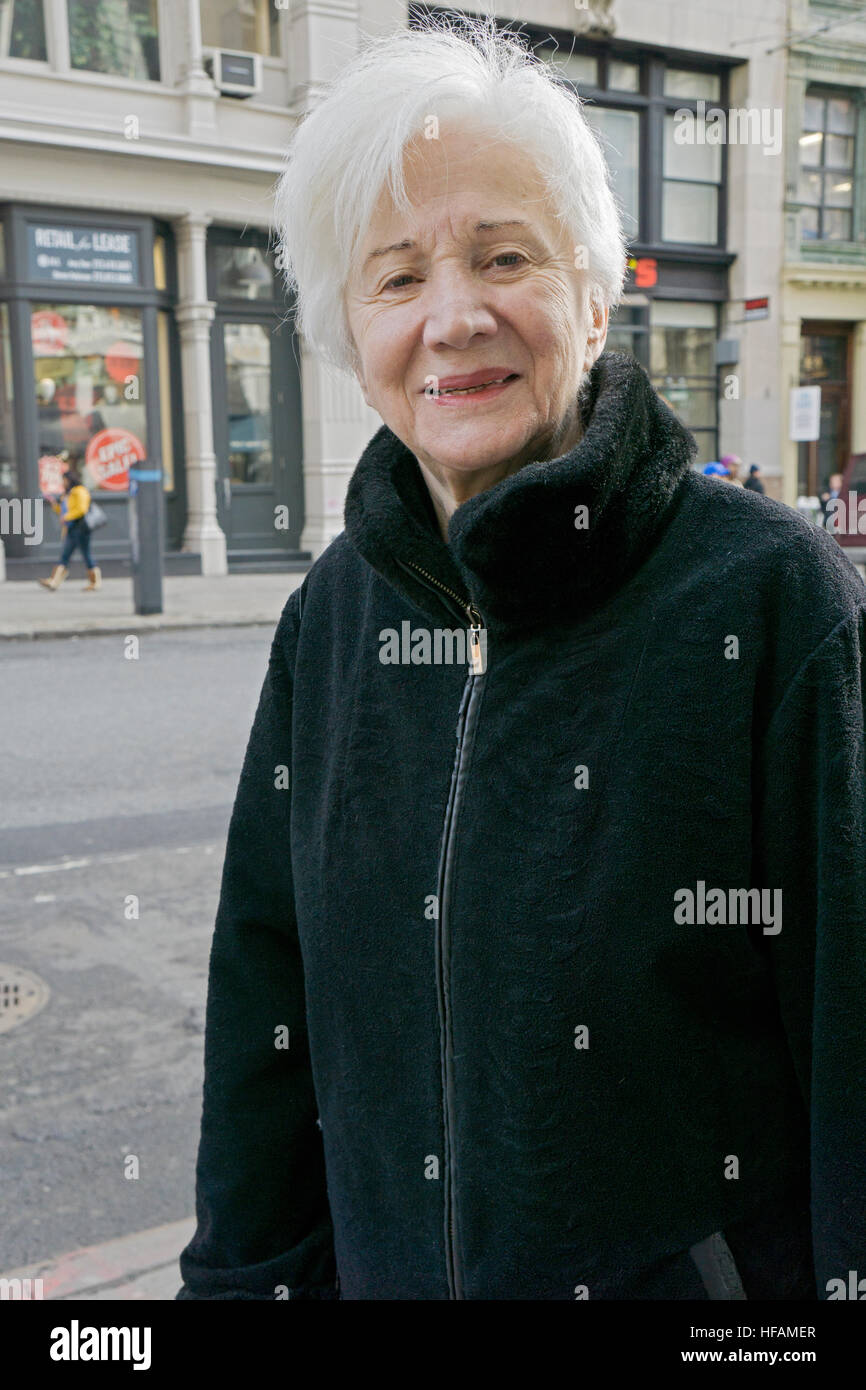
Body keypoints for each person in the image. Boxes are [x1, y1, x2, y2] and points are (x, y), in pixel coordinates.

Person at [177, 18, 866, 1302]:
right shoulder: (329, 617)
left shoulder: (777, 602)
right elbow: (261, 1019)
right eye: (394, 278)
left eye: (505, 256)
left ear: (593, 300)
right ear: (348, 329)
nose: (454, 318)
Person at [38, 467, 101, 591]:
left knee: (81, 555)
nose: (63, 482)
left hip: (81, 527)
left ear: (70, 479)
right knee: (68, 555)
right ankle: (55, 581)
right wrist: (54, 504)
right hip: (71, 528)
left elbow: (82, 509)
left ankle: (95, 582)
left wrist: (67, 516)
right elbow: (63, 511)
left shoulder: (80, 491)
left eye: (65, 480)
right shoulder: (67, 493)